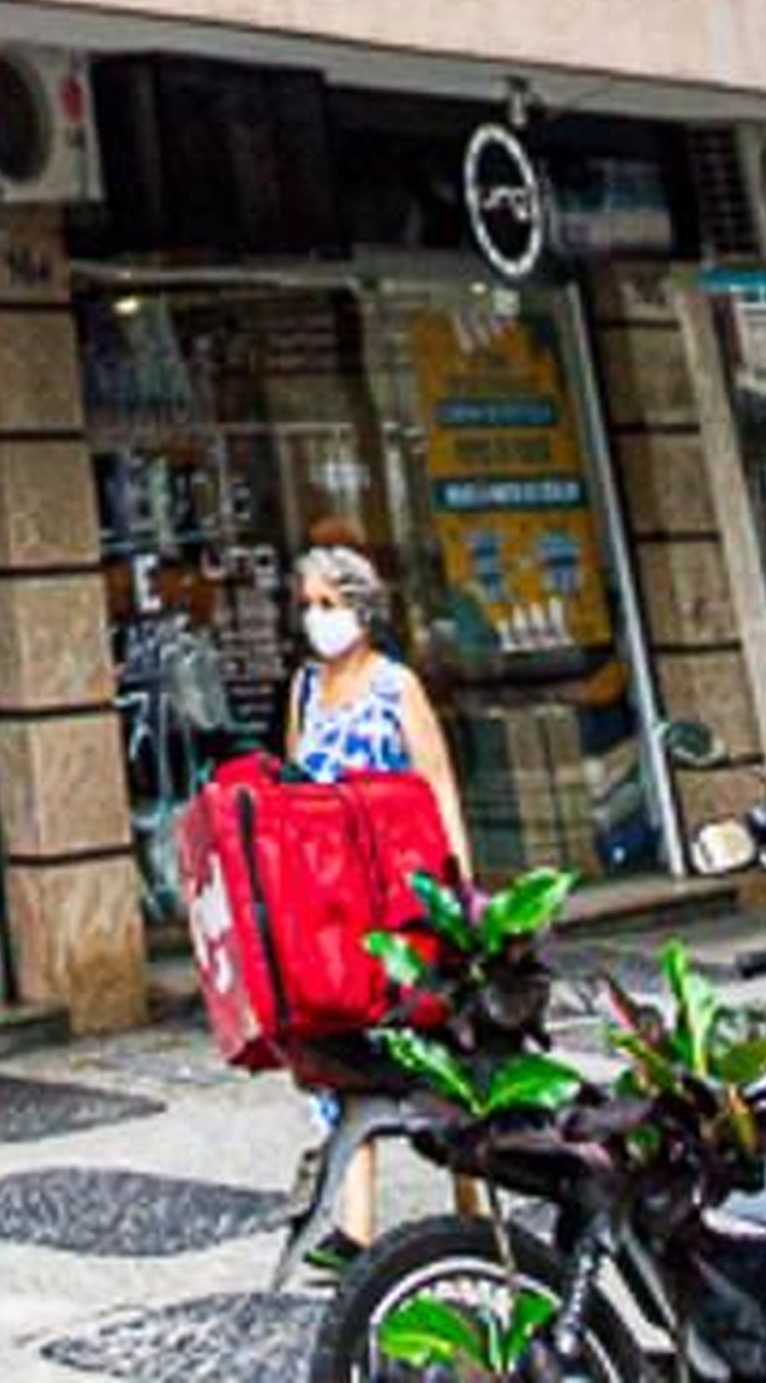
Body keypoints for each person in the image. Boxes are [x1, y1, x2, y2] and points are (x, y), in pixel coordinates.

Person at [290, 539, 469, 1261]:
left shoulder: (398, 687)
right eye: (306, 605)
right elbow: (294, 790)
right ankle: (355, 1225)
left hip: (399, 894)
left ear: (361, 609)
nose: (316, 619)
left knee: (428, 1044)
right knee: (344, 1050)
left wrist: (457, 889)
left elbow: (439, 787)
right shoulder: (306, 691)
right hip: (333, 903)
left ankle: (468, 1195)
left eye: (328, 604)